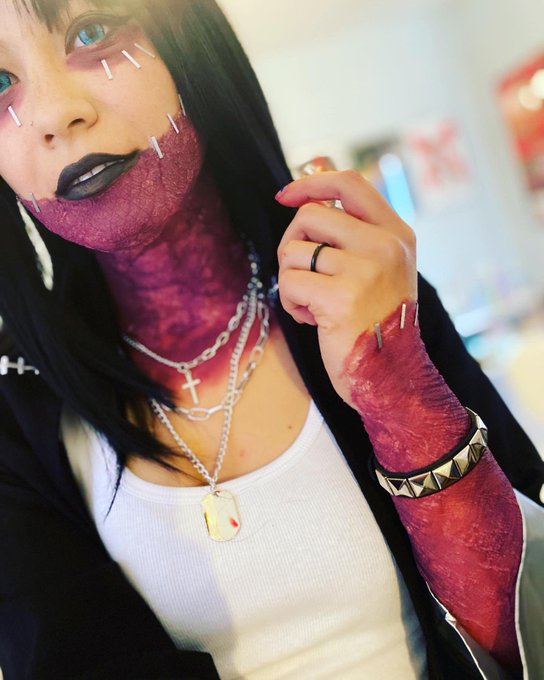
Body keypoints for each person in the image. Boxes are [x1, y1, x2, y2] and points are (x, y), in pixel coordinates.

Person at [0, 1, 542, 678]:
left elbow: (523, 631)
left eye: (93, 32)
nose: (54, 114)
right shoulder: (18, 409)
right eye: (1, 82)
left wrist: (399, 390)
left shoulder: (354, 291)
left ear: (188, 42)